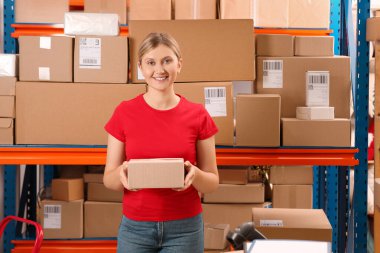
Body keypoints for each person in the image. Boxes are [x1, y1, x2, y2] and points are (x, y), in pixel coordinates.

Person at [103, 32, 219, 253]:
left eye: (167, 60)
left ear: (179, 64)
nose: (159, 70)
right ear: (140, 67)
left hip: (185, 229)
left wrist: (195, 174)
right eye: (151, 62)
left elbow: (212, 182)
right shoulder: (124, 112)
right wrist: (122, 175)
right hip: (135, 228)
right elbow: (109, 179)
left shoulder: (198, 115)